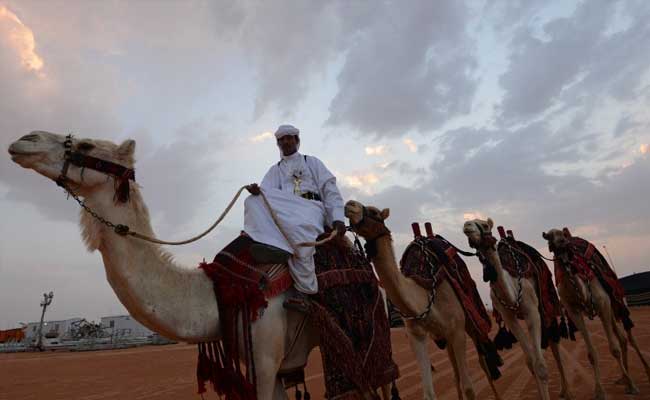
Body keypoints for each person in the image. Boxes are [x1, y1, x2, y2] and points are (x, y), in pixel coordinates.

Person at [244, 124, 346, 312]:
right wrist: (257, 191)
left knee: (298, 229)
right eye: (281, 139)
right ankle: (268, 243)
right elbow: (267, 193)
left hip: (312, 207)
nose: (285, 141)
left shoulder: (312, 162)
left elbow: (329, 189)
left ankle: (305, 292)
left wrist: (337, 218)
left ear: (297, 141)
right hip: (286, 208)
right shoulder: (275, 170)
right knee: (252, 201)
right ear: (278, 144)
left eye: (289, 137)